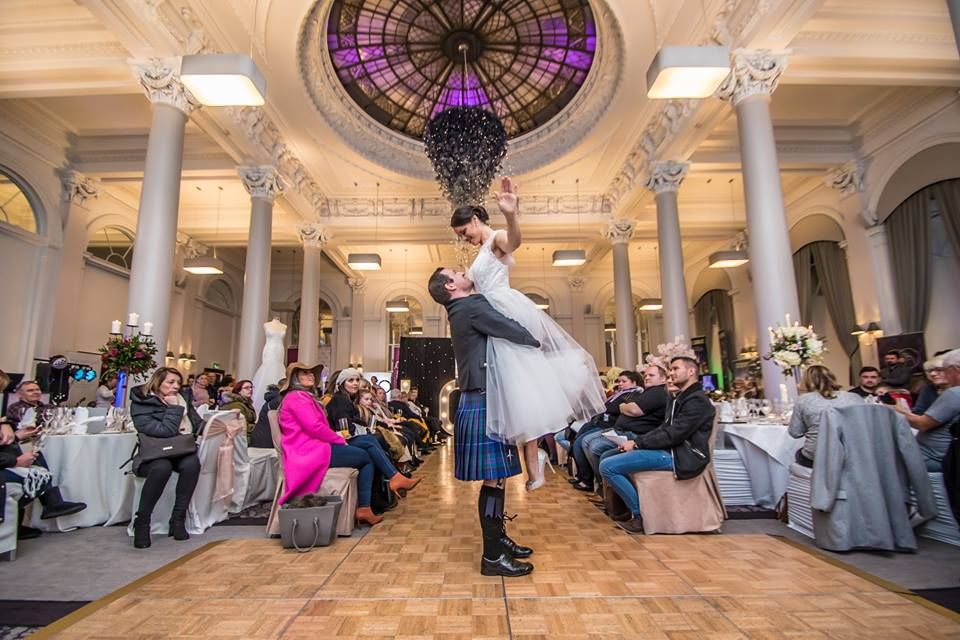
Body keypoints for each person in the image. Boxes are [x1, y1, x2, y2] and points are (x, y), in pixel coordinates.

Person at [450, 178, 606, 490]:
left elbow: (514, 241)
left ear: (475, 220)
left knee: (518, 387)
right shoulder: (480, 252)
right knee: (516, 390)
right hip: (491, 317)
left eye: (463, 232)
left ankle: (535, 465)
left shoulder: (494, 240)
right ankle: (536, 467)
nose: (463, 239)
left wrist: (511, 213)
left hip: (505, 311)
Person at [429, 267, 540, 577]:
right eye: (456, 272)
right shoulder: (470, 305)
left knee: (498, 478)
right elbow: (510, 329)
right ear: (450, 285)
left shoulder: (459, 309)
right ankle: (492, 556)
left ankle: (499, 541)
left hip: (479, 398)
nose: (464, 271)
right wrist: (538, 342)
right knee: (493, 480)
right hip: (484, 400)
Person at [599, 351, 716, 534]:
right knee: (609, 455)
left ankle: (639, 516)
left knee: (608, 466)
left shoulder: (697, 401)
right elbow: (665, 430)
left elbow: (673, 435)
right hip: (670, 449)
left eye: (676, 369)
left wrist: (637, 444)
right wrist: (636, 441)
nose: (671, 374)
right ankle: (621, 508)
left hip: (682, 455)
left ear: (691, 371)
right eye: (670, 371)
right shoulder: (681, 398)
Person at [276, 362, 394, 526]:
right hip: (308, 451)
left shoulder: (304, 397)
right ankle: (367, 506)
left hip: (315, 446)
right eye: (304, 373)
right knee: (366, 457)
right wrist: (339, 440)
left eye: (311, 373)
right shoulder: (297, 397)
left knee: (368, 445)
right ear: (294, 378)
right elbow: (315, 427)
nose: (310, 375)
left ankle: (379, 493)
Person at [129, 367, 203, 549]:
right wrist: (174, 409)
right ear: (158, 382)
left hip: (179, 450)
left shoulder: (181, 400)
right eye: (170, 382)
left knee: (192, 464)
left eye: (178, 382)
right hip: (154, 454)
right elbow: (164, 431)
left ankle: (178, 518)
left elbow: (197, 424)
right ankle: (143, 521)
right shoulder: (142, 402)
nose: (176, 386)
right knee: (162, 468)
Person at [324, 368, 421, 499]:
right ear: (342, 383)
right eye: (350, 380)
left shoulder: (347, 400)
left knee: (374, 442)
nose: (355, 383)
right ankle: (394, 477)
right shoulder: (340, 400)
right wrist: (365, 430)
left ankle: (368, 505)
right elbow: (345, 428)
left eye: (357, 380)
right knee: (371, 441)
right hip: (339, 441)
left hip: (345, 438)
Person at [895, 348, 960, 472]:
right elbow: (919, 412)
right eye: (930, 371)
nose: (934, 374)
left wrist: (898, 410)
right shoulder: (930, 389)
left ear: (955, 370)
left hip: (934, 457)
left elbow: (922, 424)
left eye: (942, 370)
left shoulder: (954, 393)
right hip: (943, 455)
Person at [788, 365, 862, 468]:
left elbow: (795, 432)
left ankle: (816, 482)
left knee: (797, 454)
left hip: (817, 456)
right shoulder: (854, 397)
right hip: (852, 453)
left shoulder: (803, 399)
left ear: (807, 381)